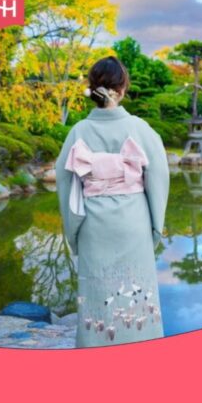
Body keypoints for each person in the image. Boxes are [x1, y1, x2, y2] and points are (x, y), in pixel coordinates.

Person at [55, 56, 170, 348]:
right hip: (133, 221)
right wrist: (156, 225)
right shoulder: (140, 128)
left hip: (94, 223)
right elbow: (159, 175)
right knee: (137, 288)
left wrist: (73, 229)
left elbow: (65, 179)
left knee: (97, 287)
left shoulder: (78, 131)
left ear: (93, 90)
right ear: (122, 88)